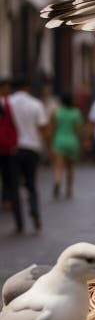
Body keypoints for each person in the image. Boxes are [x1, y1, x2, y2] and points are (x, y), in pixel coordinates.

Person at [8, 80, 48, 232]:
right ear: (27, 87)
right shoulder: (35, 104)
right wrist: (48, 147)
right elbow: (42, 127)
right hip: (32, 147)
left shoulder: (7, 103)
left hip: (13, 149)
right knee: (31, 183)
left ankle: (19, 222)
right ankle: (34, 210)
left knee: (14, 186)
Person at [51, 93, 83, 199]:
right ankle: (68, 189)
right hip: (72, 141)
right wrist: (81, 142)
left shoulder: (56, 112)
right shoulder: (76, 113)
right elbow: (78, 130)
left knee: (58, 166)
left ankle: (57, 181)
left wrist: (51, 142)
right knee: (70, 167)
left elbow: (52, 128)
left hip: (59, 140)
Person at [0, 80, 19, 219]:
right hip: (5, 142)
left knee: (7, 172)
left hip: (6, 142)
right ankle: (7, 199)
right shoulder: (8, 103)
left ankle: (6, 198)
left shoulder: (10, 102)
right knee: (7, 172)